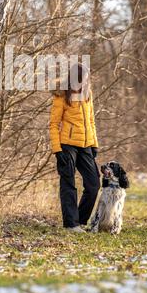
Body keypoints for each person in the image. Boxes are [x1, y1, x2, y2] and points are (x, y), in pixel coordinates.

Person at [49, 63, 100, 233]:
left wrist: (94, 144)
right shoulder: (61, 96)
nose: (84, 82)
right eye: (81, 79)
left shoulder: (87, 94)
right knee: (68, 183)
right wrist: (57, 150)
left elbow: (91, 121)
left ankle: (80, 220)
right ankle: (71, 224)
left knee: (93, 185)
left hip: (86, 145)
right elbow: (54, 124)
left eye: (86, 78)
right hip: (67, 145)